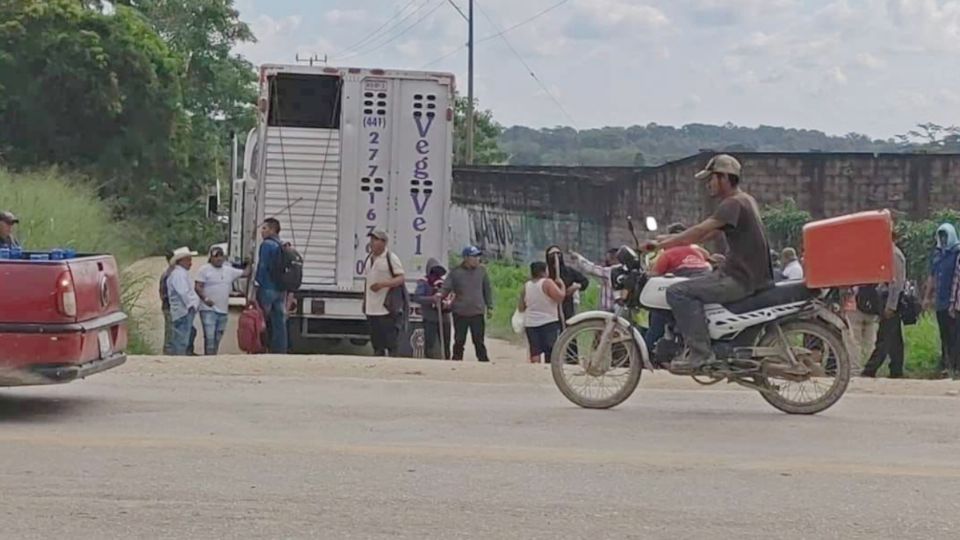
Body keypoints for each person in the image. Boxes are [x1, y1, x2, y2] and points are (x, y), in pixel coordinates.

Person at [653, 154, 774, 372]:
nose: (708, 184)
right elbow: (703, 235)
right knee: (696, 283)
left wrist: (664, 245)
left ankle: (700, 354)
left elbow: (700, 230)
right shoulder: (745, 200)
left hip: (739, 279)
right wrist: (665, 240)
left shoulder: (732, 203)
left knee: (678, 292)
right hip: (746, 275)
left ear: (725, 178)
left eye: (711, 179)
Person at [645, 223, 712, 353]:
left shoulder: (667, 254)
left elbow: (653, 275)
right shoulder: (697, 251)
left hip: (683, 292)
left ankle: (648, 352)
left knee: (658, 317)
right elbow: (708, 255)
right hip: (707, 283)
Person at [862, 238, 907, 378]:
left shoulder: (894, 255)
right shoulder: (889, 254)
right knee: (894, 339)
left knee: (884, 337)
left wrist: (891, 306)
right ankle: (896, 369)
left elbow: (896, 284)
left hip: (891, 300)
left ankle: (870, 369)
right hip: (888, 299)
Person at [441, 246, 494, 362]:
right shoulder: (455, 273)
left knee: (478, 340)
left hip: (477, 311)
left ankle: (483, 360)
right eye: (473, 256)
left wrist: (490, 306)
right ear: (466, 258)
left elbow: (487, 289)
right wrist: (440, 296)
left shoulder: (482, 271)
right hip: (460, 312)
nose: (476, 259)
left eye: (477, 256)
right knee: (459, 340)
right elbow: (446, 287)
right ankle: (456, 360)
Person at [195, 246, 249, 355]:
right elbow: (198, 286)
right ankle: (209, 358)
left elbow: (245, 273)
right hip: (208, 309)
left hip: (223, 310)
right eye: (216, 256)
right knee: (209, 338)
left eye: (221, 256)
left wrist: (251, 261)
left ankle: (214, 357)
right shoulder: (204, 270)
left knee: (218, 336)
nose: (219, 258)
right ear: (211, 257)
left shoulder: (229, 270)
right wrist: (205, 299)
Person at [924, 223, 960, 378]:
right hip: (941, 301)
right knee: (943, 334)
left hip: (954, 301)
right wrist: (927, 296)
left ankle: (955, 364)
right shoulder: (938, 254)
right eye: (941, 236)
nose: (943, 239)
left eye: (946, 236)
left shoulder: (957, 253)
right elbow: (932, 277)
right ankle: (945, 363)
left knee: (954, 334)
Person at [363, 229, 405, 357]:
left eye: (375, 240)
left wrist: (382, 285)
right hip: (371, 307)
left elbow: (400, 278)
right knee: (376, 341)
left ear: (384, 242)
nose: (372, 243)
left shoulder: (390, 258)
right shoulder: (369, 258)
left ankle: (393, 363)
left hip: (385, 307)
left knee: (390, 339)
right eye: (371, 240)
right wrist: (364, 301)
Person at [519, 261, 566, 363]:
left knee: (535, 351)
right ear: (544, 271)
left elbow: (521, 307)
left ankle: (536, 370)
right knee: (550, 350)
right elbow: (560, 297)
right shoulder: (547, 283)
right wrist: (562, 286)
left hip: (531, 323)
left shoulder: (526, 286)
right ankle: (548, 368)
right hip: (548, 322)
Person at [255, 218, 289, 354]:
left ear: (272, 230)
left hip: (267, 287)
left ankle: (261, 347)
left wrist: (258, 283)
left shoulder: (267, 245)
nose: (261, 232)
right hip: (280, 288)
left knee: (262, 319)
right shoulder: (282, 245)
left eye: (264, 228)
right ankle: (280, 350)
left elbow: (262, 266)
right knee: (279, 321)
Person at [413, 258, 451, 359]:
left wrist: (448, 303)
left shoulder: (444, 283)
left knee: (446, 343)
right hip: (430, 318)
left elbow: (451, 296)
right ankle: (429, 361)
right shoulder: (423, 283)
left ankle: (447, 360)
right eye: (433, 271)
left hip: (444, 318)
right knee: (430, 343)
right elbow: (417, 297)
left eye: (438, 271)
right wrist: (432, 299)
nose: (436, 274)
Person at [166, 246, 200, 356]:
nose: (191, 263)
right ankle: (179, 359)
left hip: (183, 310)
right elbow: (183, 293)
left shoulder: (179, 273)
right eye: (188, 260)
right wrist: (192, 305)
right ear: (181, 261)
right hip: (183, 311)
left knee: (185, 335)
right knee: (182, 340)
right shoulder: (178, 275)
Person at [545, 246, 589, 322]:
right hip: (549, 307)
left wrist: (576, 287)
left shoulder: (568, 271)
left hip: (567, 305)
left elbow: (584, 281)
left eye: (558, 254)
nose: (556, 257)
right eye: (552, 254)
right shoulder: (545, 272)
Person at [158, 252, 176, 355]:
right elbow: (164, 293)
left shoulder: (170, 273)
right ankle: (168, 350)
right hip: (169, 306)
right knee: (170, 328)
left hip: (168, 305)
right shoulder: (168, 275)